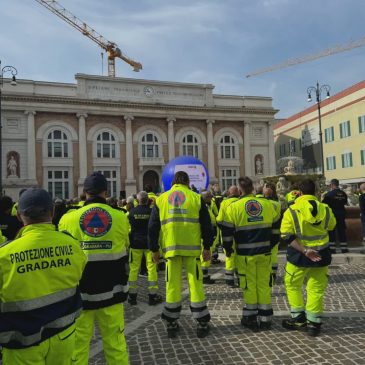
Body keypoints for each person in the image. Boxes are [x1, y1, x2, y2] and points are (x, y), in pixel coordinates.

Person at [0, 188, 86, 364]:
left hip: (22, 340)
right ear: (53, 213)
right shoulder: (72, 244)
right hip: (64, 332)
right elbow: (78, 274)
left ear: (19, 216)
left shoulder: (5, 255)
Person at [58, 172, 130, 364]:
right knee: (115, 344)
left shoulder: (68, 218)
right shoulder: (120, 217)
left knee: (78, 347)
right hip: (112, 292)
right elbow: (126, 245)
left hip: (81, 294)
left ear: (85, 192)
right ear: (106, 192)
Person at [148, 171, 214, 338]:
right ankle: (201, 321)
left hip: (171, 250)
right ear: (187, 181)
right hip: (192, 250)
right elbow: (207, 225)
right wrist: (207, 247)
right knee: (196, 284)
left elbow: (152, 227)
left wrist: (154, 249)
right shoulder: (195, 198)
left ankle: (171, 321)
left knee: (172, 285)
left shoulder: (161, 199)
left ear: (173, 182)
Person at [220, 177, 280, 331]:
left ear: (240, 190)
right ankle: (266, 319)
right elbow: (276, 231)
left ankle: (250, 317)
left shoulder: (233, 207)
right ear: (252, 188)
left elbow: (226, 234)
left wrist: (228, 249)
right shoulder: (267, 205)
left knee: (249, 285)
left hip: (245, 254)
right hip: (265, 253)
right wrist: (269, 245)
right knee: (264, 285)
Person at [281, 179, 336, 337]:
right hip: (321, 255)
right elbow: (331, 225)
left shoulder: (292, 210)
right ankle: (314, 323)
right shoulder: (325, 208)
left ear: (300, 192)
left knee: (292, 285)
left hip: (299, 255)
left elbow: (286, 235)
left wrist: (305, 250)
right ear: (316, 191)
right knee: (316, 288)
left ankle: (298, 319)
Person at [128, 191, 163, 306]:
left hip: (135, 244)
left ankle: (132, 296)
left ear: (137, 201)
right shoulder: (152, 211)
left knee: (133, 270)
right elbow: (157, 229)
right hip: (149, 245)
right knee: (152, 269)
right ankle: (152, 296)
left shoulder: (131, 212)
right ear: (148, 200)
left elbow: (127, 230)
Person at [216, 185, 241, 287]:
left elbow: (219, 219)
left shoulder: (224, 203)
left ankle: (229, 280)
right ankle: (240, 278)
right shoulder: (241, 202)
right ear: (238, 193)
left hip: (227, 234)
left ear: (229, 193)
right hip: (240, 234)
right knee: (239, 257)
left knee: (229, 255)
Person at [262, 182, 282, 282]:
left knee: (265, 253)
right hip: (275, 231)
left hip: (264, 231)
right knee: (274, 253)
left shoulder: (262, 204)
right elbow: (278, 217)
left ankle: (265, 272)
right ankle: (273, 273)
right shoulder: (277, 204)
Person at [322, 178, 348, 253]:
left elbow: (324, 204)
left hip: (332, 214)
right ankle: (344, 248)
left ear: (332, 185)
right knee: (342, 230)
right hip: (341, 214)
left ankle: (332, 249)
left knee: (331, 231)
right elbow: (345, 202)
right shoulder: (343, 194)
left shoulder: (329, 194)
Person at [200, 190, 219, 284]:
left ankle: (204, 274)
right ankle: (204, 276)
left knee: (208, 251)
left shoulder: (209, 204)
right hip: (204, 230)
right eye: (209, 196)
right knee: (205, 251)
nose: (211, 198)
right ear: (205, 197)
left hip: (210, 228)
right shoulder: (200, 205)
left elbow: (216, 214)